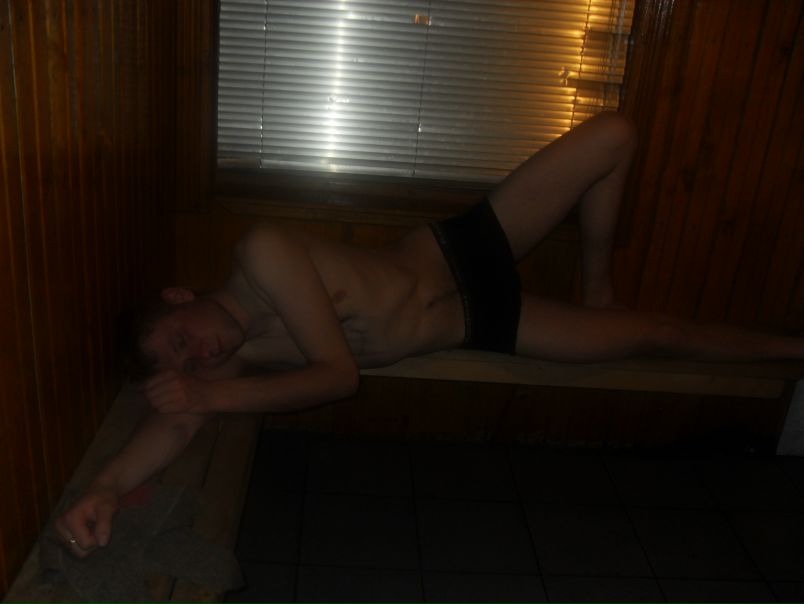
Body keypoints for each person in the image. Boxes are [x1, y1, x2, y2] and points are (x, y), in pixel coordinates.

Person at [55, 112, 804, 557]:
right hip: (475, 324)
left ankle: (599, 287)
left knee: (615, 132)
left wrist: (208, 397)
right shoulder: (235, 361)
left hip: (454, 254)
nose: (199, 355)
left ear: (180, 297)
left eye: (181, 339)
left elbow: (337, 376)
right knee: (657, 334)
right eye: (184, 361)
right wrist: (105, 489)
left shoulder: (260, 252)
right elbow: (176, 421)